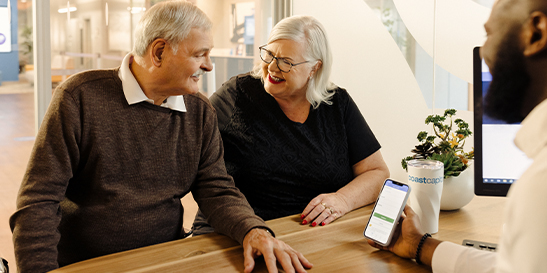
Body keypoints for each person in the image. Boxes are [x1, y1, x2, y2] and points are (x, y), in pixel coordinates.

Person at [9, 2, 312, 273]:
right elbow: (38, 202)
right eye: (199, 54)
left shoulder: (199, 111)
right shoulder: (79, 98)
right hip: (87, 263)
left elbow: (216, 190)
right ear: (159, 52)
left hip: (165, 258)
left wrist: (253, 231)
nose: (209, 65)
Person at [367, 0, 547, 272]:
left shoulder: (540, 183)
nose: (483, 52)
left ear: (536, 34)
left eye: (490, 34)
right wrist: (420, 245)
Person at [193, 15, 389, 235]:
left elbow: (376, 172)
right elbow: (189, 154)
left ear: (315, 68)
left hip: (314, 233)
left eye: (286, 61)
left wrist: (342, 200)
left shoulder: (336, 103)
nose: (272, 68)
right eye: (269, 55)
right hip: (241, 232)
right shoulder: (235, 95)